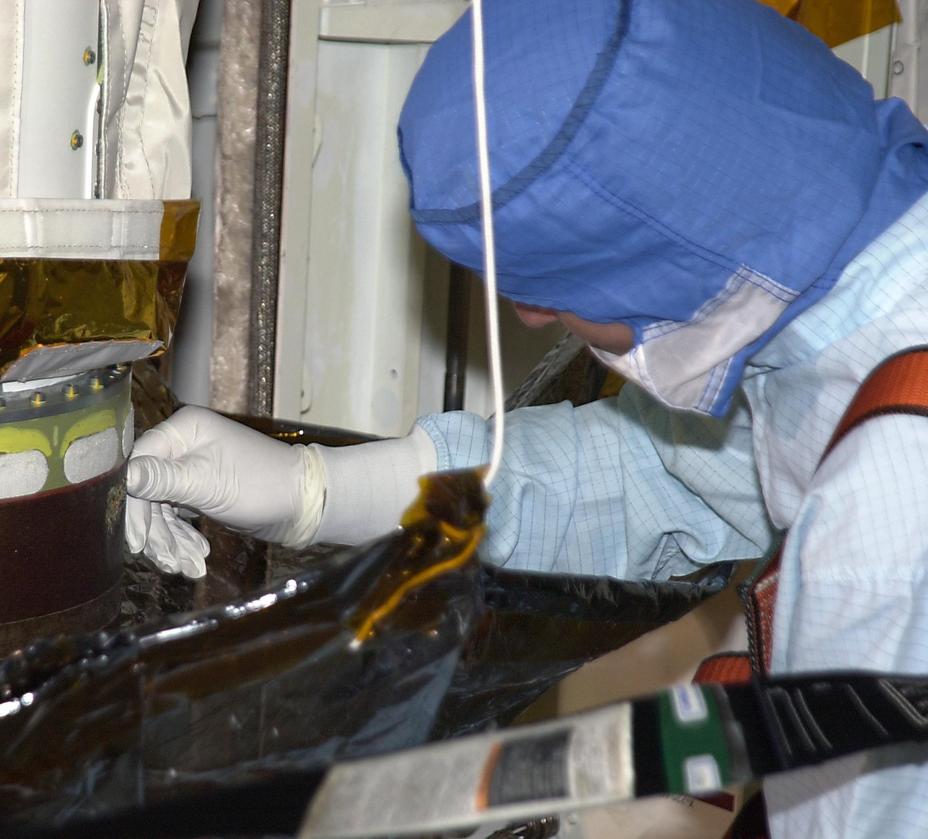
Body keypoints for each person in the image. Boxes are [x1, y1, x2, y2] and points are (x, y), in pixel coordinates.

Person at [126, 0, 928, 834]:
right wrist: (318, 488)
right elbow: (670, 472)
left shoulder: (886, 512)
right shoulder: (860, 274)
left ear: (659, 248)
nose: (535, 319)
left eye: (548, 290)